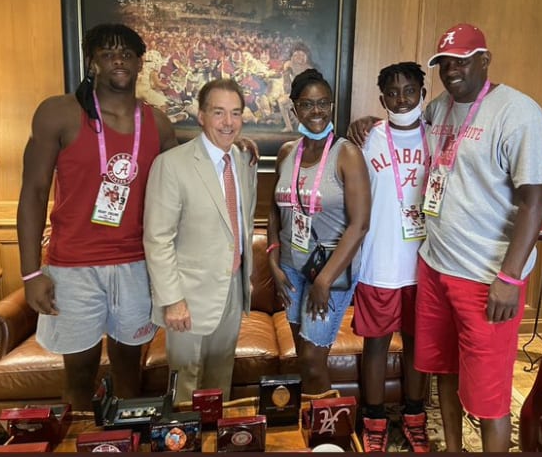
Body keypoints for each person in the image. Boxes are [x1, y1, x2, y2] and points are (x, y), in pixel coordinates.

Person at [350, 23, 542, 452]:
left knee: (489, 396)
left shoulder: (518, 112)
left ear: (485, 59)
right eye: (445, 63)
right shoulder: (440, 108)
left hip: (485, 276)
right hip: (435, 266)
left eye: (463, 59)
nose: (453, 70)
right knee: (443, 371)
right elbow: (401, 123)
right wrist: (367, 122)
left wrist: (511, 278)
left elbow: (536, 200)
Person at [16, 23, 178, 410]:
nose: (117, 59)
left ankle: (126, 440)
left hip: (137, 266)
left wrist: (231, 143)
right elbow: (33, 194)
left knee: (129, 376)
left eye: (126, 53)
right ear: (91, 63)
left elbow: (186, 176)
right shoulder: (58, 113)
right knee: (79, 377)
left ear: (140, 63)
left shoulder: (158, 123)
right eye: (107, 52)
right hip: (74, 268)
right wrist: (30, 274)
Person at [143, 78, 257, 403]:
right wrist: (172, 299)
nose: (228, 122)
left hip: (232, 291)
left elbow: (240, 222)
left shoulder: (241, 160)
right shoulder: (172, 165)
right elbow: (157, 238)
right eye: (218, 112)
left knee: (220, 385)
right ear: (201, 115)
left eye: (236, 113)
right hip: (188, 298)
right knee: (186, 388)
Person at [267, 69, 370, 394]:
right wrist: (272, 257)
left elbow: (360, 224)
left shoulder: (347, 154)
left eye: (323, 103)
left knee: (313, 359)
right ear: (295, 108)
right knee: (302, 355)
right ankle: (305, 426)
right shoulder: (287, 153)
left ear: (331, 106)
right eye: (308, 104)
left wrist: (323, 281)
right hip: (291, 268)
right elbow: (273, 209)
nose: (317, 112)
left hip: (330, 270)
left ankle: (328, 435)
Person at [353, 62, 431, 453]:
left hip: (426, 265)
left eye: (410, 90)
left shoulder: (438, 138)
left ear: (423, 92)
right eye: (393, 93)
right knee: (377, 346)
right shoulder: (367, 138)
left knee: (419, 344)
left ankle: (416, 417)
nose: (402, 99)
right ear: (382, 99)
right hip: (379, 262)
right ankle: (375, 420)